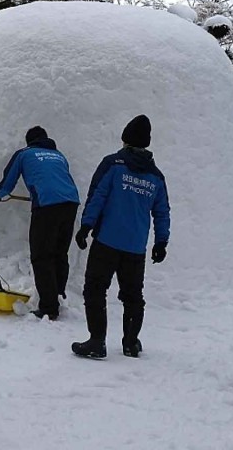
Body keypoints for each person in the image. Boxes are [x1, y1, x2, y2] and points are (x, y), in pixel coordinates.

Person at [71, 115, 170, 359]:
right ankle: (130, 342)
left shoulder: (113, 164)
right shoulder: (156, 176)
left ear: (125, 139)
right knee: (133, 295)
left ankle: (96, 341)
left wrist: (86, 226)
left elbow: (98, 196)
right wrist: (161, 242)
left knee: (95, 289)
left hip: (107, 241)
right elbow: (162, 211)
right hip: (135, 247)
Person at [0, 126, 80, 320]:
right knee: (59, 252)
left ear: (29, 141)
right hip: (71, 203)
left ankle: (49, 307)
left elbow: (8, 182)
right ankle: (58, 294)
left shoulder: (24, 154)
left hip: (47, 206)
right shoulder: (58, 155)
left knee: (42, 256)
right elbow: (56, 179)